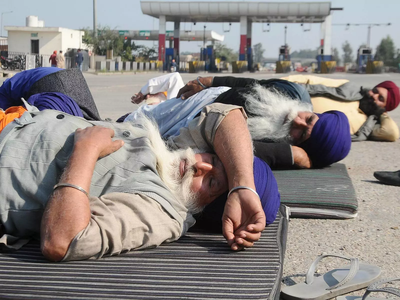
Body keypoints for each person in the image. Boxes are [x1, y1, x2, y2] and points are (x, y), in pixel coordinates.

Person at [0, 100, 280, 262]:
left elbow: (62, 240)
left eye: (212, 183)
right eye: (215, 160)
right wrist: (242, 183)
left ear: (206, 209)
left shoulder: (162, 211)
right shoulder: (174, 152)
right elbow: (225, 114)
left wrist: (85, 151)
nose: (200, 166)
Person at [126, 74, 351, 169]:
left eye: (302, 133)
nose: (298, 122)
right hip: (206, 98)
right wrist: (208, 81)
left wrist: (291, 155)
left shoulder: (281, 141)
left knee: (142, 139)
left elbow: (241, 150)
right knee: (137, 121)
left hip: (198, 126)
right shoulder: (295, 93)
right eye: (308, 119)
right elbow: (252, 82)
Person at [280, 75, 400, 142]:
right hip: (287, 99)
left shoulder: (368, 125)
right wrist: (279, 83)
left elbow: (392, 133)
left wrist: (382, 113)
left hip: (296, 128)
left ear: (384, 108)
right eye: (374, 91)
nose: (374, 96)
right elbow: (309, 80)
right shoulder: (350, 87)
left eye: (381, 99)